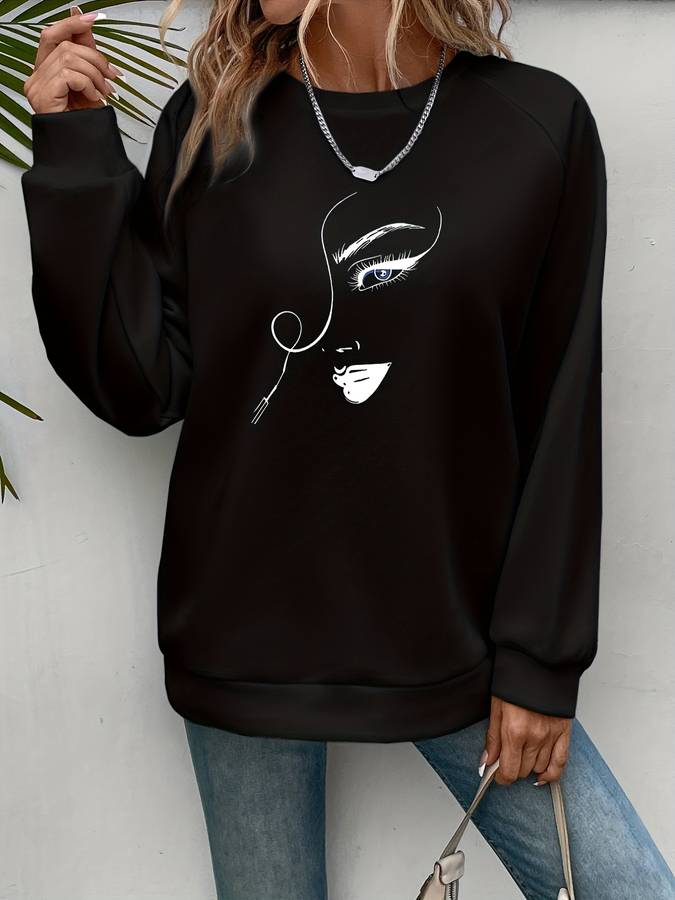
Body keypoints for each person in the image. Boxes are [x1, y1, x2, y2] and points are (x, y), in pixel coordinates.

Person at [20, 1, 675, 897]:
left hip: (458, 636)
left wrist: (540, 662)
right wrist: (75, 156)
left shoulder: (536, 124)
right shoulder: (214, 120)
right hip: (243, 636)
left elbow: (559, 407)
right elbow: (143, 387)